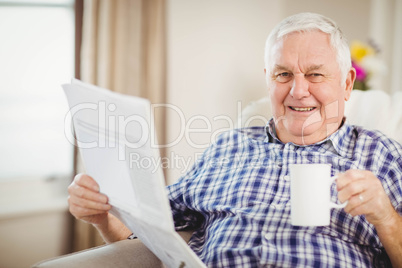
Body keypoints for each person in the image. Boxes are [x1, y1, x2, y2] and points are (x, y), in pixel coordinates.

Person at [68, 13, 402, 267]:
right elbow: (147, 232)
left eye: (315, 74)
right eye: (283, 74)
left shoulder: (382, 155)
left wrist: (386, 217)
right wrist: (102, 215)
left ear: (346, 84)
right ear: (268, 81)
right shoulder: (228, 148)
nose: (298, 90)